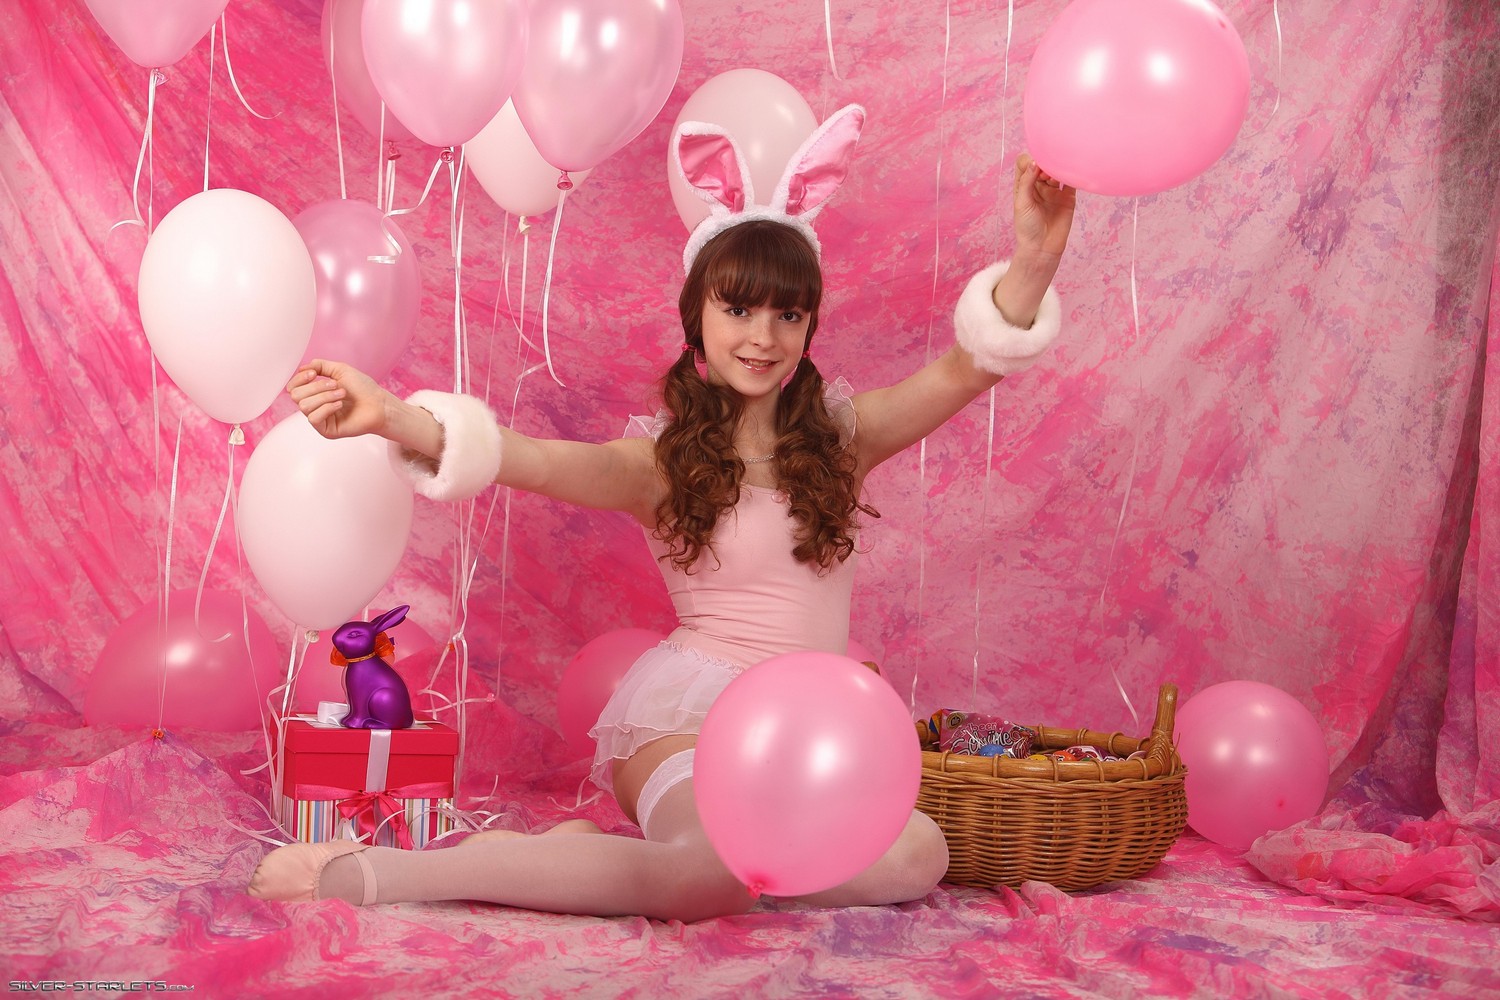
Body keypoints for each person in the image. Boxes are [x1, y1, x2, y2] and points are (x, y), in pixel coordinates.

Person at [248, 105, 1076, 922]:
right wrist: (395, 417)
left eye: (787, 314)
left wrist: (1035, 259)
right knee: (706, 875)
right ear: (697, 318)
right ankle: (375, 872)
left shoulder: (844, 440)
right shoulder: (660, 465)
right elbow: (529, 457)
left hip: (806, 731)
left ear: (808, 325)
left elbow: (966, 369)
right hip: (687, 722)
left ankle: (570, 861)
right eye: (738, 309)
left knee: (917, 855)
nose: (763, 336)